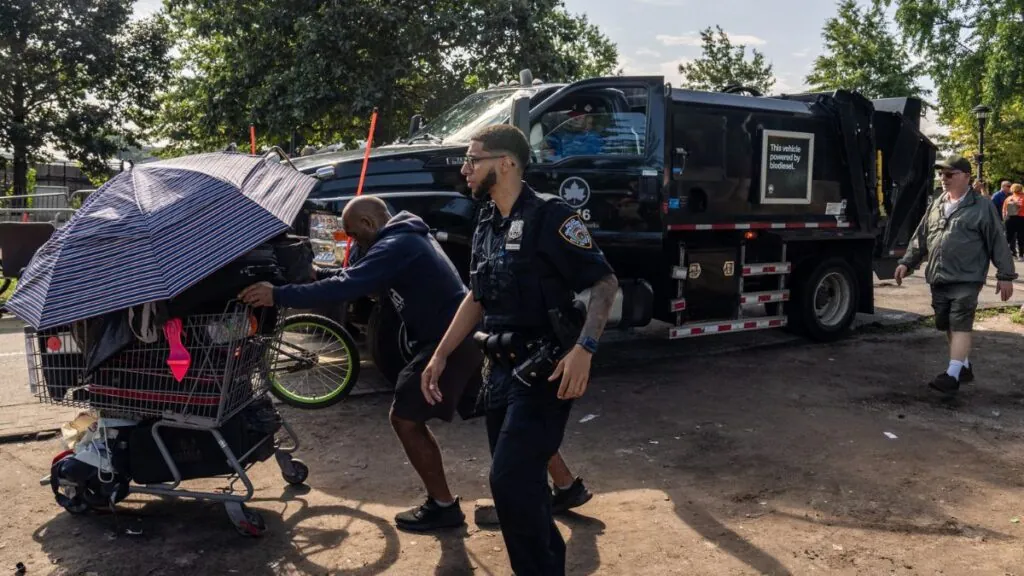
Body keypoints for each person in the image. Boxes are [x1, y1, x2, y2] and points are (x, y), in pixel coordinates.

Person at [238, 196, 592, 530]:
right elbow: (357, 278)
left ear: (367, 221)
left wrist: (278, 294)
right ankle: (565, 486)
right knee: (499, 413)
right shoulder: (403, 237)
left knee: (405, 419)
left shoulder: (397, 246)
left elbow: (350, 285)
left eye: (355, 234)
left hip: (448, 342)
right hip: (462, 338)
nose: (355, 242)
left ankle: (442, 507)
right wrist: (321, 277)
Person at [422, 124, 618, 574]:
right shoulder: (487, 220)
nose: (465, 169)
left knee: (508, 479)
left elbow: (604, 282)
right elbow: (477, 296)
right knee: (523, 485)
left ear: (506, 163)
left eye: (473, 160)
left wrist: (584, 348)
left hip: (547, 368)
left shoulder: (552, 216)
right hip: (501, 369)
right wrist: (440, 355)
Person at [895, 155, 1017, 396]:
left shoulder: (981, 207)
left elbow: (997, 240)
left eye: (950, 174)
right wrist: (907, 262)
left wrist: (1005, 274)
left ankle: (951, 376)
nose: (943, 179)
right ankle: (963, 365)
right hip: (939, 276)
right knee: (946, 322)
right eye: (941, 174)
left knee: (960, 321)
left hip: (968, 278)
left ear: (966, 177)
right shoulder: (937, 203)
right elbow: (921, 236)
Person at [1002, 183, 1024, 259]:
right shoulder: (1022, 198)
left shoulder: (1008, 198)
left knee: (1008, 237)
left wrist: (1004, 218)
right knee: (1021, 237)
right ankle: (1021, 255)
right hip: (1021, 219)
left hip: (1009, 219)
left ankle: (1005, 254)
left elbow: (1004, 210)